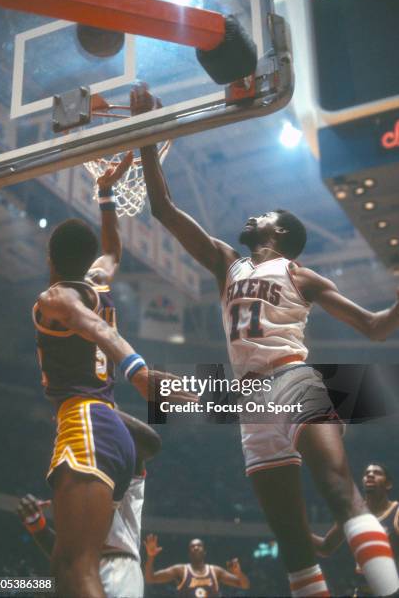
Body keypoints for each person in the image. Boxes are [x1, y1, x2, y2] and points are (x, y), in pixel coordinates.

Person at [131, 82, 399, 597]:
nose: (253, 216)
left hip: (293, 379)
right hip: (248, 402)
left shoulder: (301, 274)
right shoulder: (226, 263)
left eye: (265, 215)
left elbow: (375, 326)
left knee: (342, 493)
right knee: (294, 545)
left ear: (280, 232)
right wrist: (148, 134)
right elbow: (163, 209)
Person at [32, 153, 196, 598]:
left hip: (86, 423)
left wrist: (140, 373)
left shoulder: (57, 297)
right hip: (108, 429)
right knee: (66, 565)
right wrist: (105, 195)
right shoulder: (97, 280)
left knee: (79, 566)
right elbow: (112, 249)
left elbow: (98, 328)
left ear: (50, 257)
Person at [18, 410, 161, 598]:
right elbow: (71, 552)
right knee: (27, 585)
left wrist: (90, 405)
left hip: (117, 567)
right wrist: (37, 525)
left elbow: (149, 443)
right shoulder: (71, 486)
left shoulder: (123, 470)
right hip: (78, 570)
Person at [312, 463, 399, 596]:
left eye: (377, 473)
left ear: (388, 484)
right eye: (367, 473)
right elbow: (325, 547)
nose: (370, 475)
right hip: (362, 593)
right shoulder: (352, 514)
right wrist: (297, 531)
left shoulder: (396, 512)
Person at [144, 534, 250, 595]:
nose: (196, 547)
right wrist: (150, 556)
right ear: (189, 553)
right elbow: (149, 578)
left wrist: (238, 573)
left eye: (199, 545)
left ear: (204, 552)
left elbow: (245, 585)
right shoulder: (180, 570)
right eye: (192, 546)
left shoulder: (216, 571)